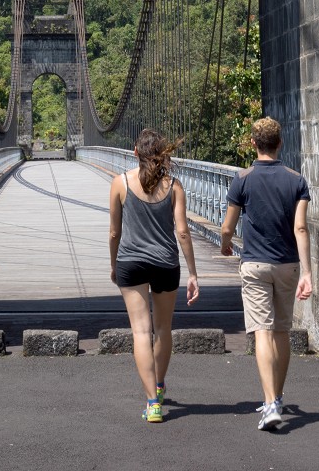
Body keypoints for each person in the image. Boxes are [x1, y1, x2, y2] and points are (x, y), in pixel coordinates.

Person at [220, 116, 312, 431]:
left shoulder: (242, 179)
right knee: (282, 331)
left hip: (255, 264)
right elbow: (300, 227)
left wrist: (225, 244)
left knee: (262, 330)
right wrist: (308, 272)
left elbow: (228, 227)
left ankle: (270, 403)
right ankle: (278, 397)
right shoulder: (296, 180)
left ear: (253, 143)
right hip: (288, 265)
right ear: (280, 143)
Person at [108, 128, 200, 422]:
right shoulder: (174, 186)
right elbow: (183, 232)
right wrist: (193, 273)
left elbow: (114, 232)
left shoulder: (119, 183)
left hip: (130, 263)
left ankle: (153, 404)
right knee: (163, 330)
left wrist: (114, 264)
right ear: (162, 154)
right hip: (165, 264)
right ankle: (159, 386)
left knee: (140, 332)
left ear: (135, 152)